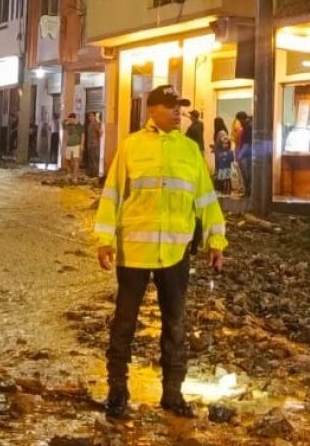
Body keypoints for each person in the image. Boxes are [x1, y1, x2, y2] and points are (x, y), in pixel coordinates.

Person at [94, 84, 227, 420]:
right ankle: (117, 392)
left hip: (175, 253)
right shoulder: (131, 147)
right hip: (133, 253)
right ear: (152, 109)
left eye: (179, 107)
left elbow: (206, 199)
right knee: (124, 326)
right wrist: (104, 239)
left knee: (175, 326)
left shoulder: (190, 151)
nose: (177, 113)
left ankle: (172, 394)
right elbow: (112, 195)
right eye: (170, 107)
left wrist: (217, 241)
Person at [234, 112, 252, 196]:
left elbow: (246, 144)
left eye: (239, 120)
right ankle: (247, 191)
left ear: (242, 119)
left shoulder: (248, 127)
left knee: (246, 174)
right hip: (246, 155)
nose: (239, 122)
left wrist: (240, 155)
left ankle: (248, 192)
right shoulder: (247, 126)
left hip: (247, 156)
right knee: (246, 174)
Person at [62, 113, 83, 182]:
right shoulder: (67, 125)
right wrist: (67, 120)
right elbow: (62, 123)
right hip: (68, 145)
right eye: (70, 119)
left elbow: (83, 135)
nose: (71, 120)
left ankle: (75, 177)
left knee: (76, 161)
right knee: (67, 160)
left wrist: (82, 145)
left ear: (75, 119)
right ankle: (69, 173)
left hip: (76, 145)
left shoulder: (79, 125)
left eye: (72, 119)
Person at [85, 111, 102, 177]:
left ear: (94, 117)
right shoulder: (90, 124)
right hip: (90, 144)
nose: (90, 117)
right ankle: (92, 173)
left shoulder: (95, 124)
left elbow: (100, 132)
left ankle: (95, 173)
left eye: (91, 116)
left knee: (94, 159)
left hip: (94, 144)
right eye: (89, 116)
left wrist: (97, 140)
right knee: (91, 159)